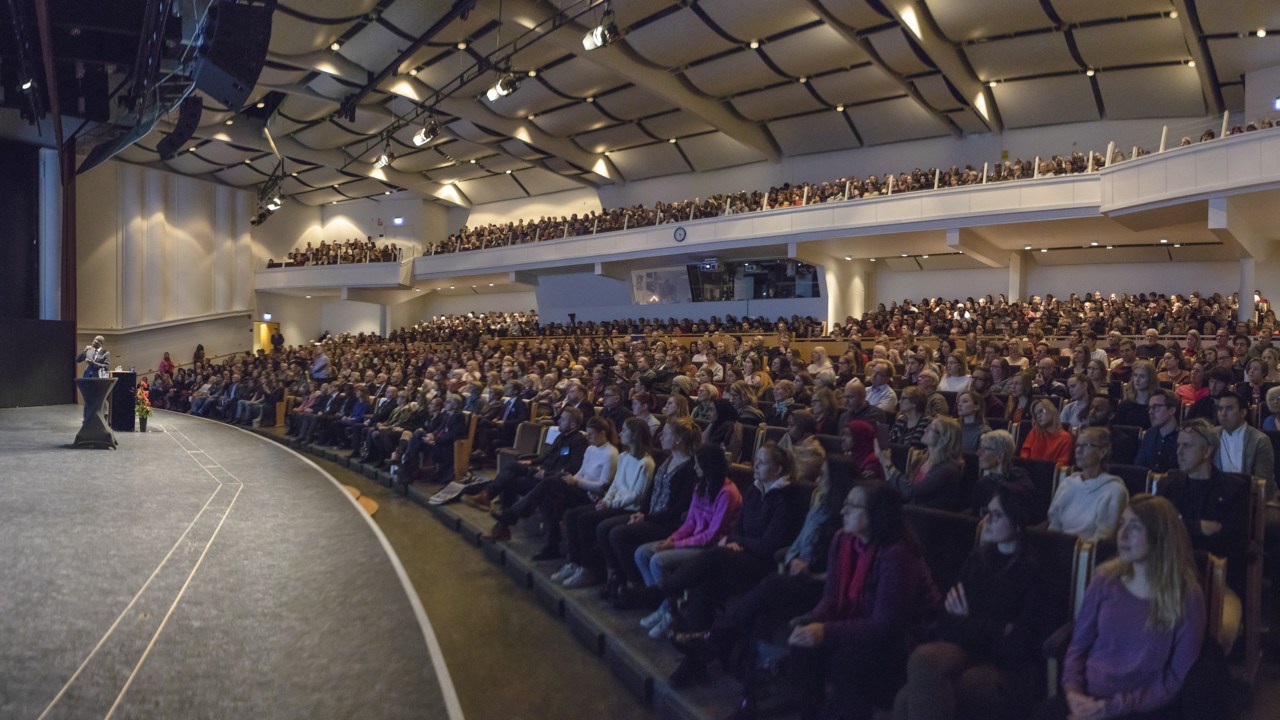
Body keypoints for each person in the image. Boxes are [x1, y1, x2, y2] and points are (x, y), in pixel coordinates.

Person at [1034, 495, 1206, 720]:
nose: (1121, 535)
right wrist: (1074, 694)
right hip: (1087, 695)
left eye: (1134, 528)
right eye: (1122, 524)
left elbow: (1174, 678)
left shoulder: (1186, 595)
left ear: (1159, 538)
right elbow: (1078, 646)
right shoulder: (1104, 579)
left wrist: (1111, 708)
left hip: (1139, 708)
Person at [783, 482, 939, 720]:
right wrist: (811, 621)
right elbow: (831, 599)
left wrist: (825, 631)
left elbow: (886, 625)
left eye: (853, 506)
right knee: (803, 640)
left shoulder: (897, 554)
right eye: (845, 504)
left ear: (877, 513)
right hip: (863, 622)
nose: (843, 511)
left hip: (906, 637)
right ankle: (812, 710)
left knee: (847, 661)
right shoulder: (842, 540)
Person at [895, 479, 1044, 720]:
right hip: (968, 649)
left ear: (1018, 524)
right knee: (920, 666)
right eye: (987, 513)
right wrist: (988, 627)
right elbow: (946, 617)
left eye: (998, 515)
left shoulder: (1031, 570)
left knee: (914, 698)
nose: (988, 521)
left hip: (1006, 667)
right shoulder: (979, 558)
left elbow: (1019, 644)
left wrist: (968, 621)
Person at [633, 444, 743, 640]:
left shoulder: (727, 493)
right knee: (642, 553)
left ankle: (669, 613)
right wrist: (672, 538)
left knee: (658, 560)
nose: (695, 468)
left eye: (698, 464)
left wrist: (674, 545)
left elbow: (711, 535)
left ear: (708, 465)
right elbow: (691, 521)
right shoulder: (701, 486)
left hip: (709, 548)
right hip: (692, 540)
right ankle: (664, 606)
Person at [1158, 419, 1248, 649]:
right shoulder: (1170, 483)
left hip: (1216, 582)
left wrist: (1179, 523)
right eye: (1178, 445)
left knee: (1223, 631)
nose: (1178, 452)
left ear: (1207, 451)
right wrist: (1198, 527)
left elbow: (1232, 542)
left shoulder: (1233, 489)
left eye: (1187, 446)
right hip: (1169, 576)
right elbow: (1158, 529)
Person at [598, 417, 698, 604]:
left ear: (677, 439)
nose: (661, 436)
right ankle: (617, 579)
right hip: (652, 516)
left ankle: (635, 584)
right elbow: (652, 491)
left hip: (668, 523)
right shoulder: (668, 460)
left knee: (618, 534)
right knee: (605, 529)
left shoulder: (689, 468)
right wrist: (642, 512)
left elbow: (680, 507)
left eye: (666, 433)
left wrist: (647, 516)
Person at [555, 417, 656, 588]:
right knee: (571, 515)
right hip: (614, 503)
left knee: (585, 520)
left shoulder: (646, 462)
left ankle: (589, 569)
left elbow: (636, 495)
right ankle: (575, 562)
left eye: (625, 430)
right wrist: (606, 499)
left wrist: (610, 504)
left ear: (635, 435)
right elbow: (616, 484)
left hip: (628, 508)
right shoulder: (624, 456)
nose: (620, 433)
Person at [477, 407, 589, 540]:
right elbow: (546, 456)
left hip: (551, 480)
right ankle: (489, 497)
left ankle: (502, 521)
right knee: (513, 466)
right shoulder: (561, 436)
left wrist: (546, 473)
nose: (558, 420)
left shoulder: (579, 441)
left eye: (563, 419)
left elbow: (573, 467)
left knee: (511, 482)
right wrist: (531, 461)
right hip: (539, 472)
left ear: (572, 424)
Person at [1047, 427, 1127, 540]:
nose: (1078, 451)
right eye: (1077, 446)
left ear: (1102, 452)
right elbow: (1054, 526)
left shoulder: (1114, 490)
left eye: (1086, 445)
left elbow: (1104, 536)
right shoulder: (1068, 484)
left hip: (1089, 554)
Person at [881, 416, 965, 511]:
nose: (925, 429)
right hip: (909, 510)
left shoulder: (948, 469)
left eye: (931, 428)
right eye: (927, 426)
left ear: (944, 439)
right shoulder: (923, 459)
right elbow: (904, 484)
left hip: (925, 518)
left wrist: (888, 463)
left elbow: (911, 492)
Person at [1214, 390, 1276, 499]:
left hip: (1251, 499)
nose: (1223, 413)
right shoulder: (1210, 436)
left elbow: (1262, 481)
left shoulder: (1260, 440)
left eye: (1229, 408)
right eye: (1220, 409)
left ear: (1243, 413)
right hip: (1216, 497)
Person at [970, 430, 1032, 516]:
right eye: (980, 448)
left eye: (984, 449)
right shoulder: (1022, 479)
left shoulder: (1012, 491)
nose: (978, 453)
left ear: (999, 456)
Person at [1133, 390, 1180, 472]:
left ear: (1172, 410)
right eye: (1150, 408)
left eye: (1155, 407)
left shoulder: (1184, 438)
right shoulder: (1149, 434)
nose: (1150, 412)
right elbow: (1138, 467)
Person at [1018, 399, 1073, 466]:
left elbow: (1061, 464)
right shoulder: (1035, 431)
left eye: (1041, 411)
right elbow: (1025, 451)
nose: (1038, 416)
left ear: (1051, 410)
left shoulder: (1065, 438)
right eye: (1036, 415)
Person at [954, 390, 990, 454]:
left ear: (976, 407)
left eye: (965, 401)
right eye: (959, 402)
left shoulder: (984, 432)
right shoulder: (953, 427)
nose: (959, 404)